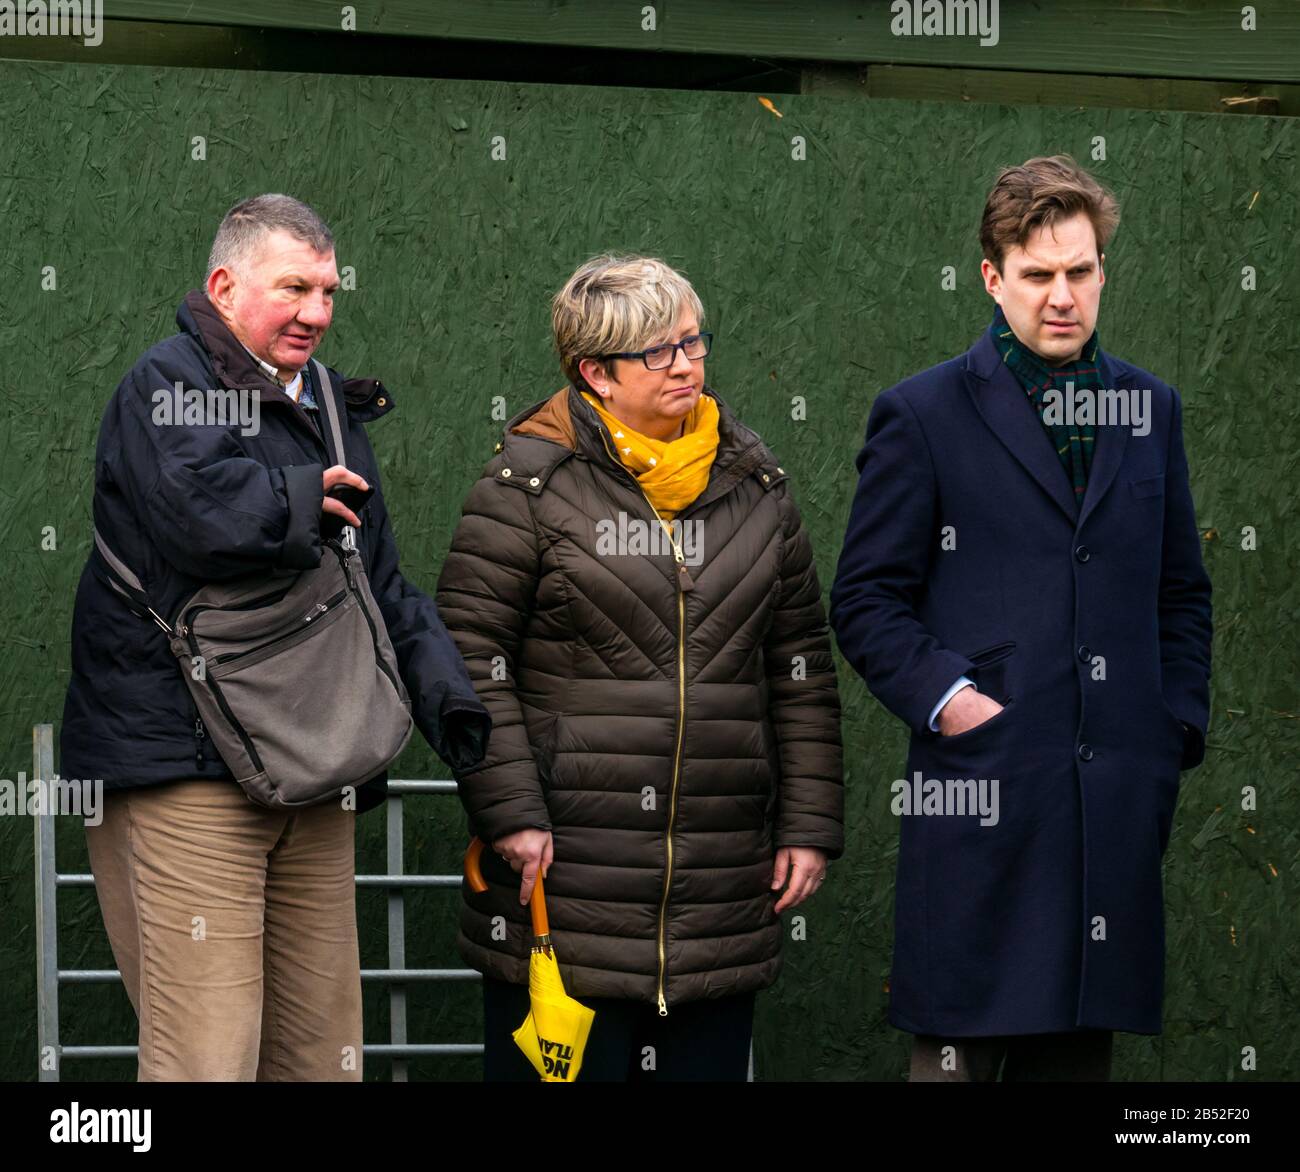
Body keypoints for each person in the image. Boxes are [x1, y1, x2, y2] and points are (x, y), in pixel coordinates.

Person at [61, 193, 489, 1081]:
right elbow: (199, 516)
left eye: (329, 292)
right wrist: (302, 496)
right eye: (294, 288)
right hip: (186, 774)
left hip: (313, 772)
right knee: (206, 1060)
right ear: (224, 286)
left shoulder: (331, 403)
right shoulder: (165, 384)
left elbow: (377, 583)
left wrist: (449, 700)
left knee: (321, 1056)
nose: (318, 313)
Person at [830, 155, 1212, 1082]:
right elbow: (866, 598)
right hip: (982, 798)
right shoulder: (920, 414)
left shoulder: (1149, 409)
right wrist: (952, 700)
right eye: (1037, 275)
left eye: (1079, 272)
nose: (1061, 296)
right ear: (993, 278)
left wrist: (1172, 729)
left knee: (1080, 1062)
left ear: (1102, 272)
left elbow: (1180, 592)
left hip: (1112, 805)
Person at [435, 254, 844, 1082]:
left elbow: (800, 666)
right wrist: (510, 811)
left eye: (693, 341)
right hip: (562, 884)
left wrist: (808, 822)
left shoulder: (757, 484)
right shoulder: (527, 484)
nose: (687, 363)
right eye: (658, 352)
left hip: (720, 894)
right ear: (595, 373)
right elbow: (470, 659)